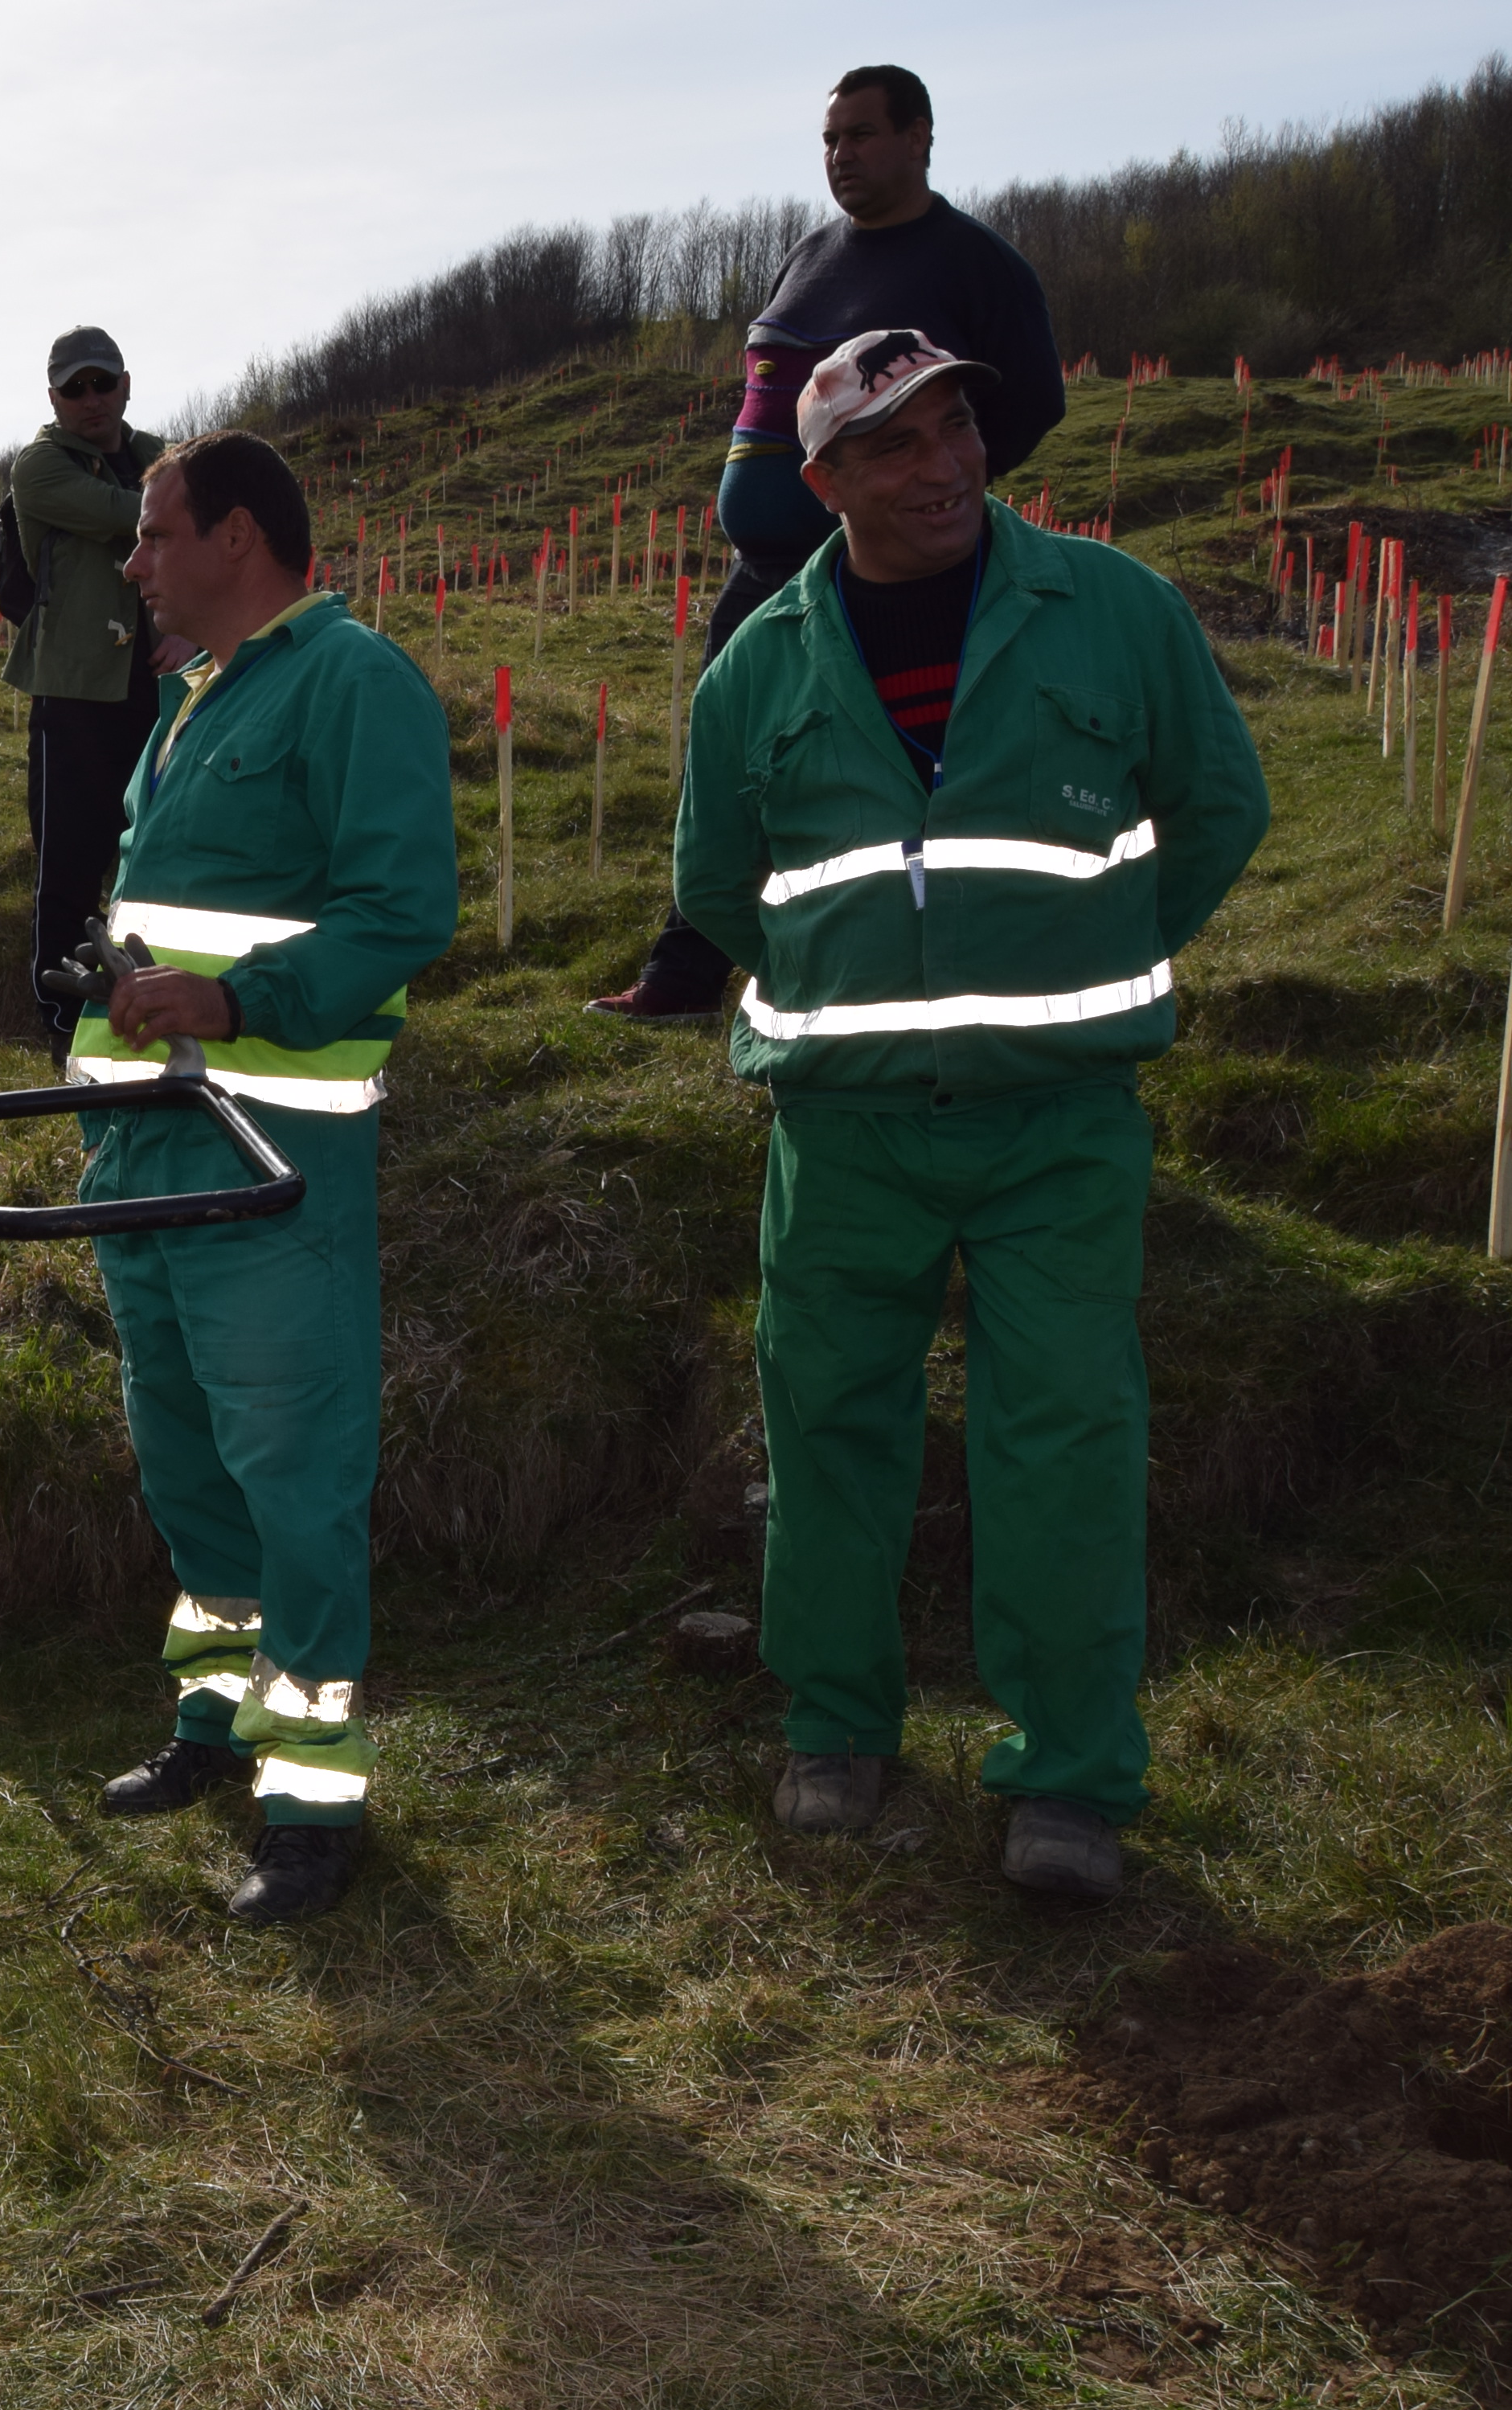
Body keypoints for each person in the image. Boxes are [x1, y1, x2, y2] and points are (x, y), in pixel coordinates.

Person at [673, 331, 1268, 1900]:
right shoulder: (756, 671)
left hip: (1057, 1124)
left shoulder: (1115, 611)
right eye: (893, 444)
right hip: (844, 1130)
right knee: (826, 1429)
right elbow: (714, 883)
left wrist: (1089, 962)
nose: (941, 466)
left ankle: (1068, 1775)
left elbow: (1218, 808)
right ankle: (834, 1726)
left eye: (954, 427)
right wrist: (852, 991)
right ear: (823, 484)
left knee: (1063, 1438)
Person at [68, 432, 457, 1923]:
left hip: (270, 1164)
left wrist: (235, 1004)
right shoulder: (192, 699)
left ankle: (311, 1800)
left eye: (153, 534)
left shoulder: (354, 682)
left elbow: (399, 911)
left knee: (294, 1476)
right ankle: (213, 1722)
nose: (134, 563)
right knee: (185, 1462)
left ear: (237, 537)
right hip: (145, 1155)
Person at [593, 64, 1067, 1024]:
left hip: (868, 576)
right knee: (726, 765)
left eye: (860, 134)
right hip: (760, 572)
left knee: (847, 772)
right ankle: (686, 975)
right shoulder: (809, 254)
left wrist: (924, 503)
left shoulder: (973, 264)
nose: (840, 154)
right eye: (828, 139)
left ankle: (877, 969)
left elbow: (1031, 402)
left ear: (918, 137)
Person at [5, 328, 180, 1060]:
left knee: (161, 853)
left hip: (162, 687)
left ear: (125, 386)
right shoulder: (39, 467)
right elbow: (124, 516)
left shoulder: (162, 458)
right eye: (74, 388)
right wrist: (178, 507)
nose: (90, 399)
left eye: (101, 383)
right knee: (69, 866)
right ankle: (62, 1019)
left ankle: (160, 1000)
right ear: (53, 398)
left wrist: (189, 634)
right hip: (73, 695)